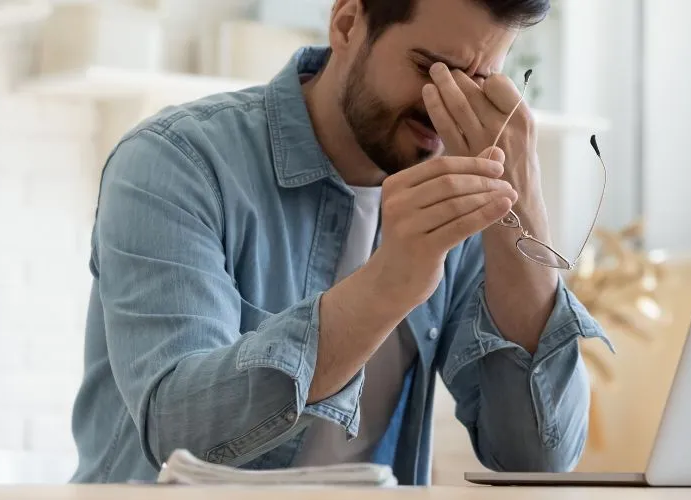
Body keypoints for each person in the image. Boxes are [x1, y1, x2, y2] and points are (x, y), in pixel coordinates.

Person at [69, 0, 610, 484]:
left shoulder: (461, 199)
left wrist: (524, 205)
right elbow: (179, 436)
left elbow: (537, 459)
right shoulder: (176, 163)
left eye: (479, 81)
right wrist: (389, 284)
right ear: (347, 21)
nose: (447, 106)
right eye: (430, 69)